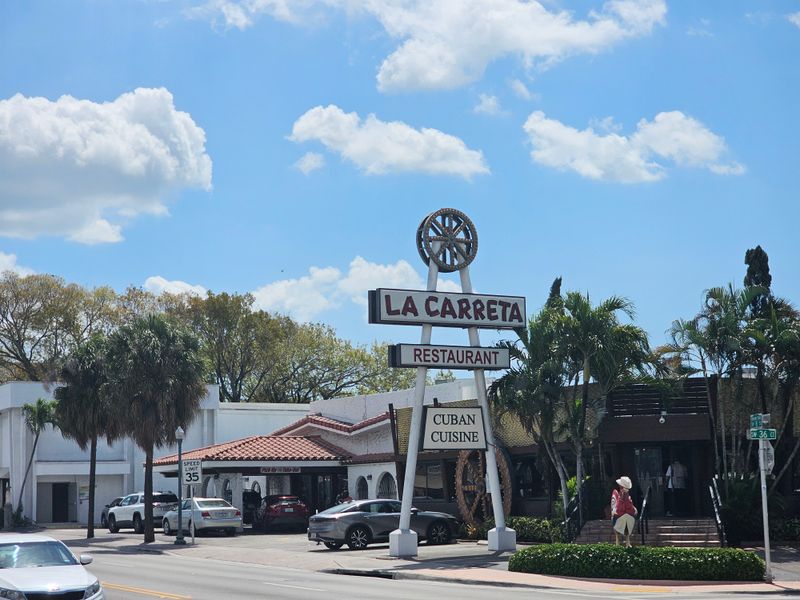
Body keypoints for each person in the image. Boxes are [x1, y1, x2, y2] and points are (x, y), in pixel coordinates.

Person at [610, 476, 637, 547]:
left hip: (626, 516)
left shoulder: (628, 497)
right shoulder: (616, 494)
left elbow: (630, 509)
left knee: (627, 519)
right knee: (616, 518)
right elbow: (618, 509)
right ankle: (617, 540)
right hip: (618, 516)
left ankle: (627, 541)